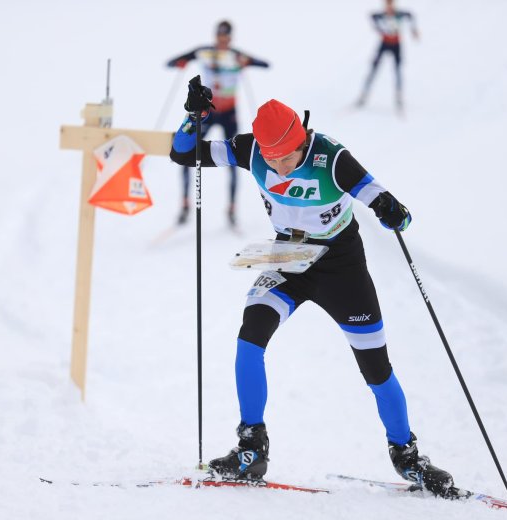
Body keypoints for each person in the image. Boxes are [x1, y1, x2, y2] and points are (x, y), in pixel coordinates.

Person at [169, 77, 456, 496]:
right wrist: (192, 118)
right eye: (273, 161)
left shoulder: (332, 158)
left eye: (287, 158)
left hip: (341, 267)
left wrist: (393, 212)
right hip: (289, 260)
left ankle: (407, 456)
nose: (280, 168)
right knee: (250, 338)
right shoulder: (251, 150)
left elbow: (386, 202)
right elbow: (182, 154)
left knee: (376, 368)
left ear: (302, 140)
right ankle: (251, 450)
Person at [166, 20, 270, 228]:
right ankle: (185, 204)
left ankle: (232, 208)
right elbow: (173, 62)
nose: (223, 41)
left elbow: (265, 64)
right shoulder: (203, 52)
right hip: (209, 111)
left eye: (226, 38)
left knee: (234, 156)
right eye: (220, 37)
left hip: (229, 112)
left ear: (230, 38)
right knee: (189, 152)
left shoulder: (236, 55)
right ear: (216, 36)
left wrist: (245, 62)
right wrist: (181, 62)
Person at [357, 0, 420, 111]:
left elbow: (410, 15)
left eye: (391, 5)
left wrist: (413, 30)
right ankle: (363, 96)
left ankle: (399, 97)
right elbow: (372, 16)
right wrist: (379, 28)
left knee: (397, 71)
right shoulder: (381, 15)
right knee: (374, 69)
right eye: (387, 6)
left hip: (396, 44)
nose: (389, 8)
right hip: (384, 43)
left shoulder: (400, 14)